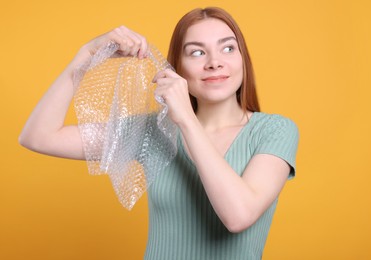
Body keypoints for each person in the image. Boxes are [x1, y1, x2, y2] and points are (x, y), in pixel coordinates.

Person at [19, 7, 299, 260]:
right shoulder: (152, 130)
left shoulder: (274, 130)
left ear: (242, 59)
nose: (214, 62)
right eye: (197, 52)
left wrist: (187, 120)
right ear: (177, 67)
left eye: (227, 49)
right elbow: (39, 136)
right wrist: (87, 54)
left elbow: (238, 216)